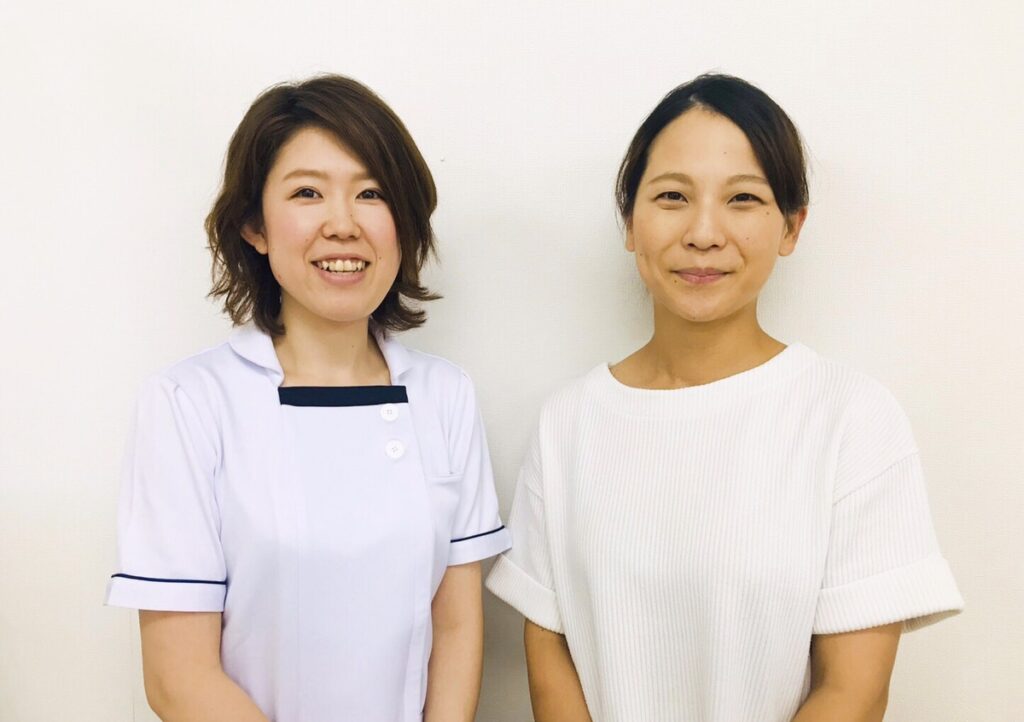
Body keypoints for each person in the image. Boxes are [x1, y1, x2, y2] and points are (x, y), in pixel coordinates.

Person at [485, 73, 963, 722]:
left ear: (791, 227)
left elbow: (852, 692)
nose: (704, 233)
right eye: (672, 196)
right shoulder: (568, 424)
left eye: (743, 199)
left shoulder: (851, 419)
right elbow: (552, 661)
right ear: (629, 221)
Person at [106, 74, 510, 722]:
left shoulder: (444, 396)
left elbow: (457, 629)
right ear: (255, 226)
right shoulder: (189, 404)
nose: (342, 225)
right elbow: (177, 678)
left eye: (371, 193)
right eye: (307, 193)